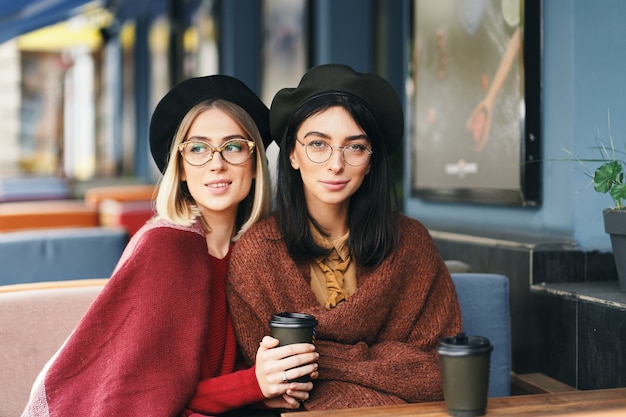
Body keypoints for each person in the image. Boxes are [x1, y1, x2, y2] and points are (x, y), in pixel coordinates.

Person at [21, 75, 318, 417]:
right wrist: (253, 385)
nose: (216, 162)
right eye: (197, 148)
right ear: (179, 169)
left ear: (254, 167)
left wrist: (268, 388)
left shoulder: (260, 253)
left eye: (234, 146)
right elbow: (142, 398)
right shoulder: (164, 248)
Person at [227, 64, 462, 411]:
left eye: (354, 147)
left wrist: (318, 360)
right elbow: (279, 387)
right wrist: (386, 363)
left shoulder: (411, 245)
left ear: (370, 161)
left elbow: (442, 373)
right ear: (292, 153)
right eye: (318, 144)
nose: (336, 164)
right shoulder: (256, 256)